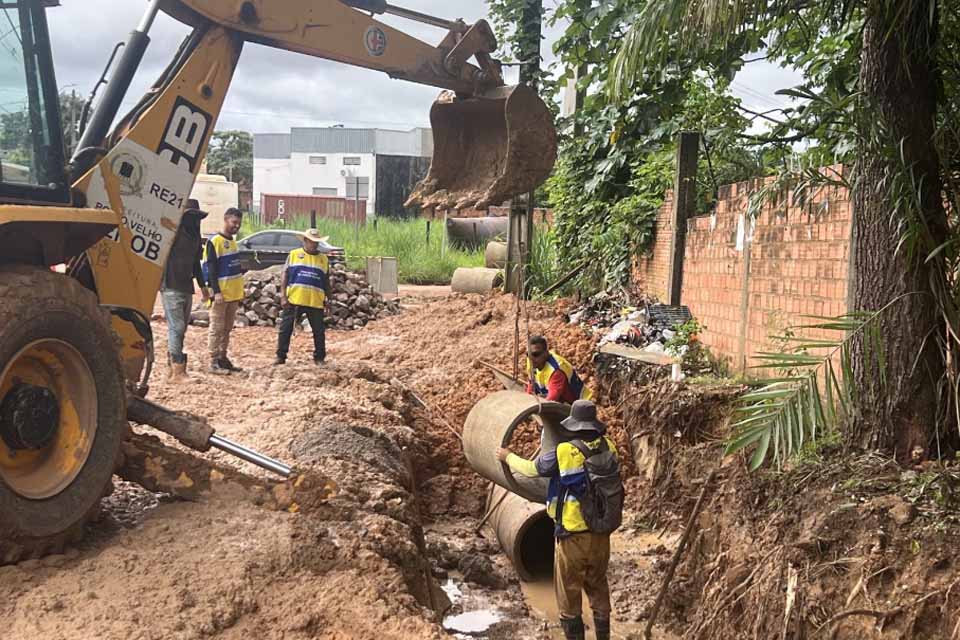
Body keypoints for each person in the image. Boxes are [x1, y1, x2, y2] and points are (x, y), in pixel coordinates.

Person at [496, 400, 619, 640]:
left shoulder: (564, 451)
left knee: (569, 595)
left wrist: (508, 457)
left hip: (572, 537)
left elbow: (532, 470)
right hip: (602, 533)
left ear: (574, 426)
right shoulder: (609, 448)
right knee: (598, 587)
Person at [160, 199, 208, 380]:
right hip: (170, 285)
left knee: (180, 329)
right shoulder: (172, 235)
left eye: (197, 218)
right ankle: (178, 370)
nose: (195, 221)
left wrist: (203, 287)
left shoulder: (195, 238)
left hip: (187, 287)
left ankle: (172, 369)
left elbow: (196, 264)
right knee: (177, 327)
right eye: (191, 217)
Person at [274, 228, 330, 366]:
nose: (314, 244)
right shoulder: (294, 255)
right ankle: (281, 356)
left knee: (318, 331)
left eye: (316, 242)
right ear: (305, 241)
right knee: (285, 329)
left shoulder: (323, 259)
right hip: (295, 299)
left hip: (315, 300)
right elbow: (285, 274)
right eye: (311, 241)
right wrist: (283, 295)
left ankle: (319, 357)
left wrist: (329, 299)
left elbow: (326, 280)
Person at [202, 207, 244, 373]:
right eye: (234, 222)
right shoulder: (215, 242)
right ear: (226, 219)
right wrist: (216, 291)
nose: (236, 226)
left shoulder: (233, 242)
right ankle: (213, 360)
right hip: (221, 295)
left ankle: (222, 357)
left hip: (233, 294)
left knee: (227, 329)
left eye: (239, 223)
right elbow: (210, 269)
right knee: (216, 328)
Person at [526, 335, 593, 403]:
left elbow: (550, 401)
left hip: (579, 404)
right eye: (528, 354)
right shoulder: (532, 362)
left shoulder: (556, 371)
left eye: (536, 354)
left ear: (546, 353)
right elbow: (531, 390)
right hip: (560, 398)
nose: (532, 358)